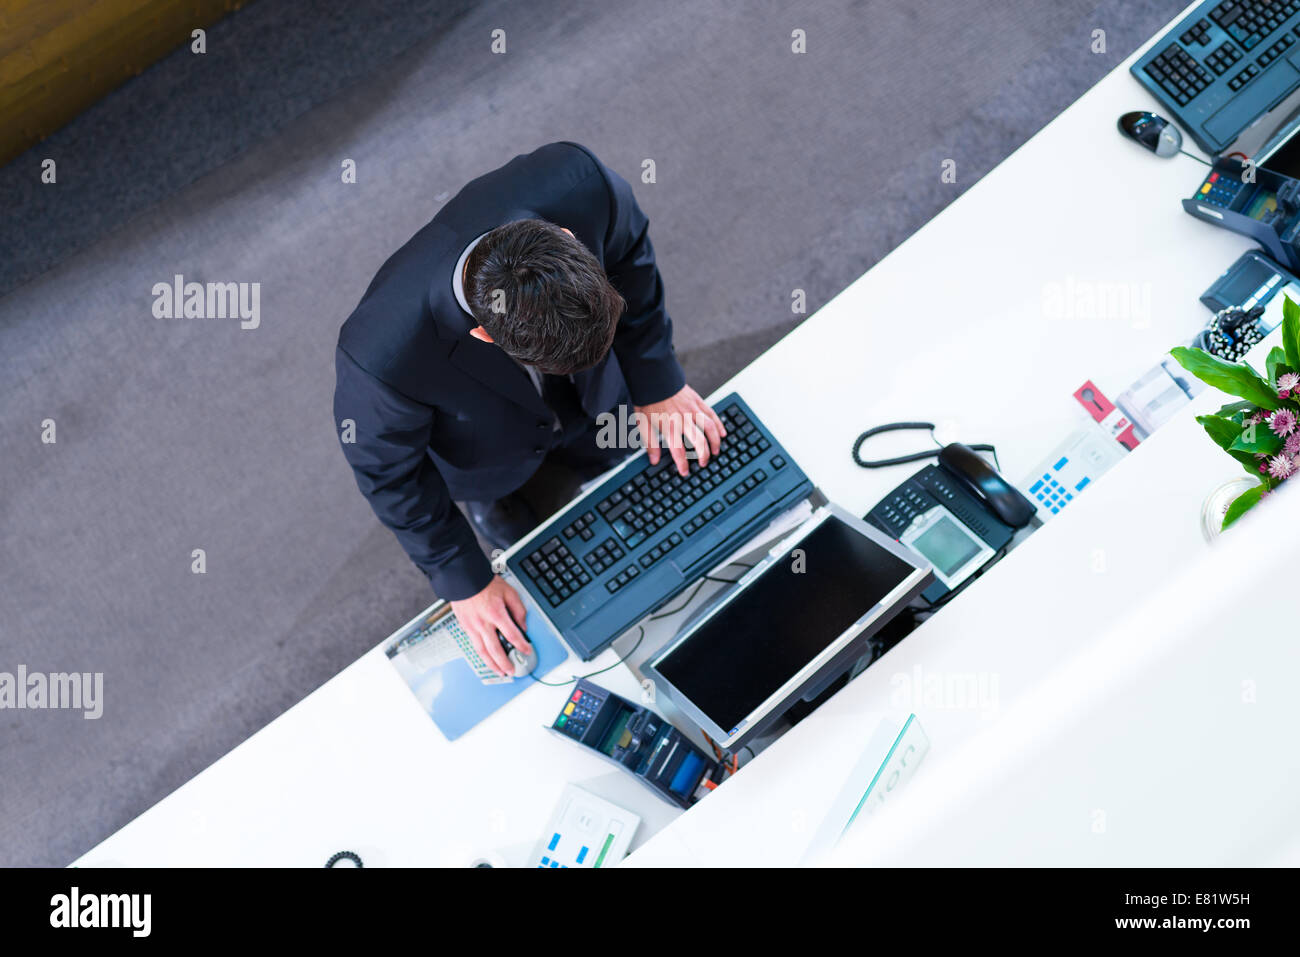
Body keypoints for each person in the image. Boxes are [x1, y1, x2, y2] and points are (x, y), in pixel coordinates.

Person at [334, 142, 725, 676]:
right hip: (486, 459)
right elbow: (387, 474)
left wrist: (656, 385)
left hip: (596, 406)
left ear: (569, 240)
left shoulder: (579, 182)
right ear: (482, 335)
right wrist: (463, 579)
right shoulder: (380, 354)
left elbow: (631, 255)